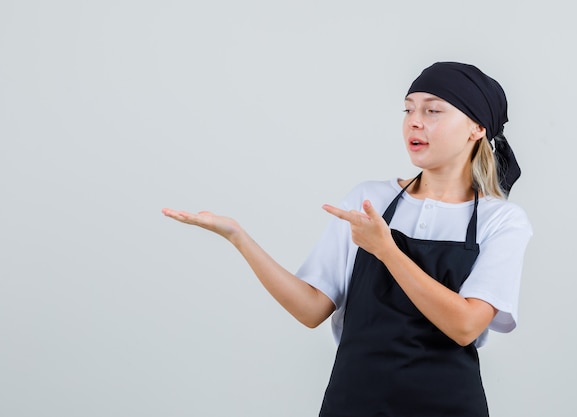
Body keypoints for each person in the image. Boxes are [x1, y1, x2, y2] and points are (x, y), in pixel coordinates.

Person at [162, 61, 532, 417]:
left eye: (433, 111)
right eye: (408, 110)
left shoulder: (500, 221)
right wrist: (238, 237)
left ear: (476, 128)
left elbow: (466, 326)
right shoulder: (369, 201)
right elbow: (311, 310)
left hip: (449, 406)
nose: (414, 122)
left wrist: (386, 250)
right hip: (355, 402)